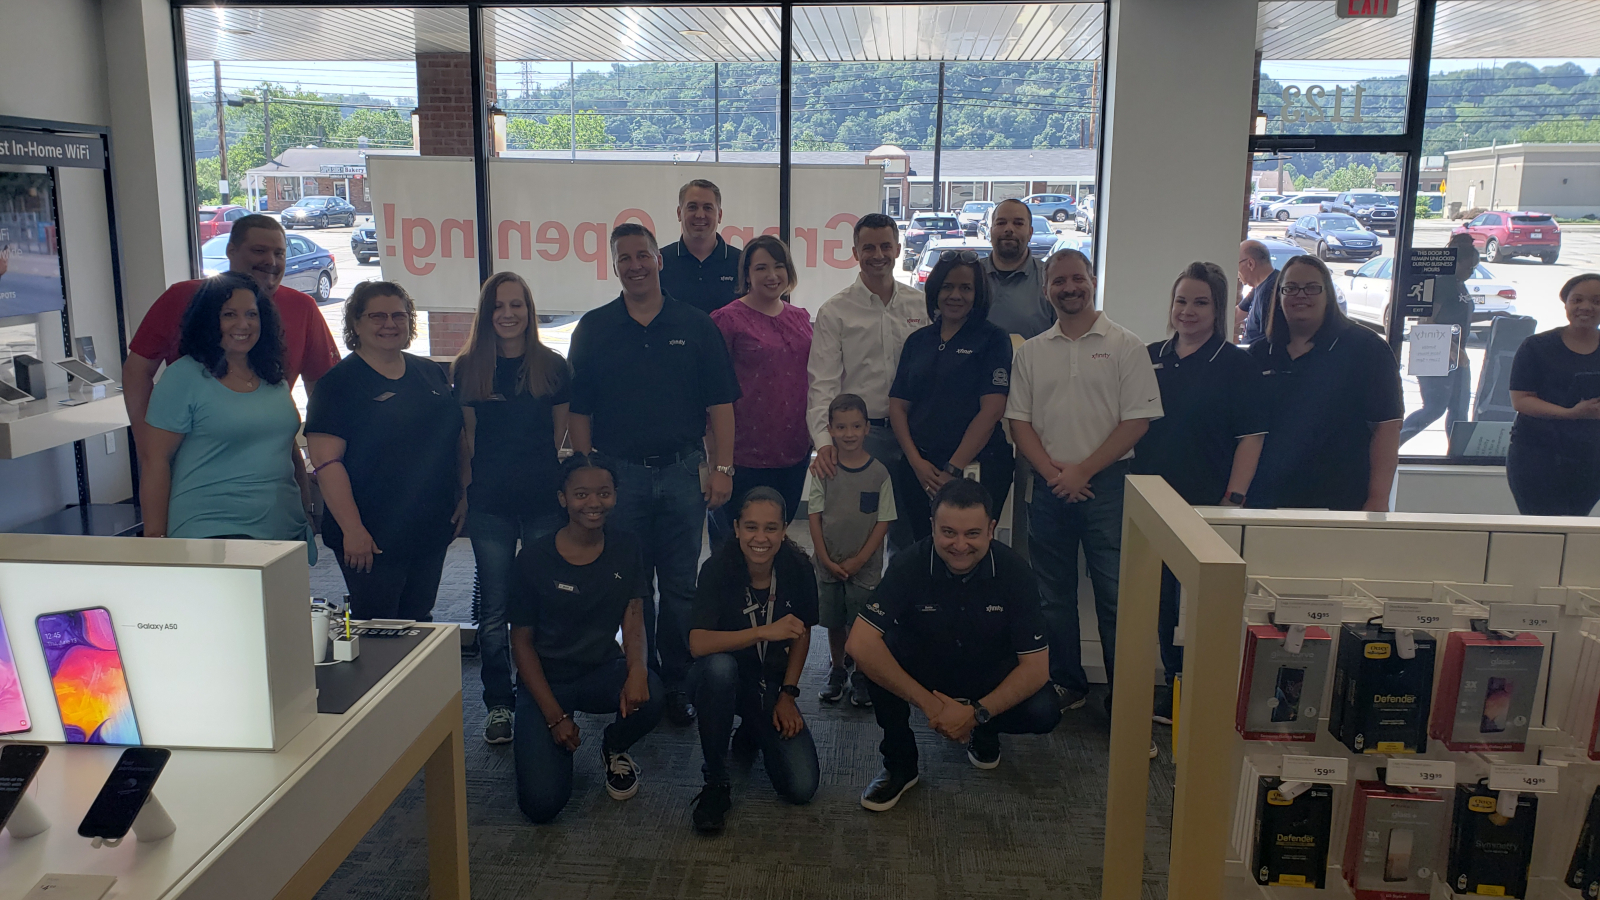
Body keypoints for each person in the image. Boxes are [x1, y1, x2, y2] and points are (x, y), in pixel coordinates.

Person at [567, 223, 742, 727]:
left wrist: (722, 468)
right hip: (619, 479)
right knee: (627, 583)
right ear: (615, 265)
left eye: (643, 255)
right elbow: (580, 411)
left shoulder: (696, 324)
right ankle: (633, 672)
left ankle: (679, 680)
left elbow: (720, 404)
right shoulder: (595, 328)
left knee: (682, 585)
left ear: (659, 260)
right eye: (625, 258)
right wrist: (588, 475)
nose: (636, 265)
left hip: (685, 472)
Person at [1005, 248, 1162, 714]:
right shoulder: (1032, 352)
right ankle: (1066, 683)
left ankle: (1124, 701)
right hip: (1049, 487)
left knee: (1116, 595)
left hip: (1107, 487)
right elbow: (1020, 424)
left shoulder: (1125, 345)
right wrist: (1056, 474)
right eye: (1059, 281)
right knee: (1051, 595)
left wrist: (1082, 471)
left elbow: (1137, 422)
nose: (1069, 289)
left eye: (1078, 279)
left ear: (1093, 281)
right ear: (1046, 288)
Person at [846, 478, 1060, 812]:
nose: (960, 545)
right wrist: (933, 708)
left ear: (990, 529)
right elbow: (859, 642)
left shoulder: (1016, 573)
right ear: (932, 527)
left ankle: (984, 730)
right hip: (928, 673)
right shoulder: (908, 564)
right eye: (948, 532)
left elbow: (1036, 669)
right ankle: (900, 764)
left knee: (1044, 711)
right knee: (877, 652)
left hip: (988, 674)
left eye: (972, 534)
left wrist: (977, 714)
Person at [1131, 262, 1266, 723]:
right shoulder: (1147, 355)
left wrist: (1233, 500)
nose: (1187, 311)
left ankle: (1189, 689)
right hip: (1148, 499)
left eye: (1200, 302)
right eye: (1181, 301)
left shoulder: (1236, 364)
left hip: (1207, 502)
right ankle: (1169, 684)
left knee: (1196, 603)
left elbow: (1251, 437)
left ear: (1219, 308)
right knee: (1158, 600)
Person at [508, 453, 664, 823]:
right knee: (542, 805)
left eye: (603, 493)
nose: (593, 503)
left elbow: (634, 612)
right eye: (581, 494)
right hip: (545, 681)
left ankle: (614, 747)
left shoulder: (626, 547)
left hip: (599, 670)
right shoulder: (532, 558)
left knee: (653, 693)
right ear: (562, 498)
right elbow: (521, 644)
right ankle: (547, 740)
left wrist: (637, 668)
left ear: (615, 496)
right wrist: (554, 717)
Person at [453, 271, 572, 745]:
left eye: (517, 304)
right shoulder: (467, 368)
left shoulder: (553, 366)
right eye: (499, 306)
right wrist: (465, 495)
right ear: (487, 313)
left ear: (530, 310)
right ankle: (499, 703)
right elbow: (467, 443)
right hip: (491, 506)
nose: (508, 314)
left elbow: (561, 439)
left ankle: (542, 693)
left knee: (543, 601)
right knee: (496, 609)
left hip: (545, 501)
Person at [305, 282, 466, 621]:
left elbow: (456, 439)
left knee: (419, 619)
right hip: (370, 531)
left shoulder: (429, 372)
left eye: (399, 315)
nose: (390, 324)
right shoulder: (338, 384)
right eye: (377, 316)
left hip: (427, 525)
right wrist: (353, 529)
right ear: (356, 323)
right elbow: (326, 461)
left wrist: (464, 493)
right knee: (379, 625)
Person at [124, 215, 338, 453]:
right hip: (193, 458)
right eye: (259, 251)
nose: (271, 261)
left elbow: (322, 388)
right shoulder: (182, 297)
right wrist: (146, 443)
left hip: (274, 456)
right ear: (231, 251)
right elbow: (137, 371)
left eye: (279, 253)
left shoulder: (302, 307)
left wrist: (326, 458)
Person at [140, 272, 310, 549]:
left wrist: (307, 506)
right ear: (209, 320)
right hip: (213, 532)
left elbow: (286, 445)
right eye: (229, 314)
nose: (243, 324)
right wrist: (156, 539)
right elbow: (155, 461)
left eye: (251, 315)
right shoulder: (183, 377)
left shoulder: (271, 374)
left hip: (283, 529)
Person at [687, 487, 820, 833]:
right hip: (721, 678)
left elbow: (802, 634)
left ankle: (752, 729)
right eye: (751, 527)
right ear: (735, 528)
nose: (760, 538)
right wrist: (763, 632)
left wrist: (788, 694)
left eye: (771, 528)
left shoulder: (798, 567)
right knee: (719, 668)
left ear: (784, 529)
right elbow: (697, 644)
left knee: (801, 788)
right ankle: (716, 781)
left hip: (770, 685)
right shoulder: (716, 569)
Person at [806, 213, 928, 553]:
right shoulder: (836, 311)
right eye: (868, 247)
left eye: (886, 246)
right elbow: (822, 384)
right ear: (855, 252)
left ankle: (902, 605)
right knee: (855, 534)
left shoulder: (921, 305)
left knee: (911, 534)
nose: (878, 255)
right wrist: (822, 441)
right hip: (861, 439)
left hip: (914, 435)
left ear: (898, 249)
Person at [1247, 255, 1403, 512]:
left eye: (1312, 288)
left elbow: (1387, 427)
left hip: (1341, 501)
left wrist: (1378, 499)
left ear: (1328, 294)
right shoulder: (1260, 354)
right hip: (1266, 500)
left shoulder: (1366, 349)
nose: (1301, 295)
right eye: (1291, 288)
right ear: (1279, 295)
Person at [890, 251, 1014, 540]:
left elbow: (992, 410)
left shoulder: (993, 339)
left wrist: (953, 469)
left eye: (965, 288)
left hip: (976, 466)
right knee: (924, 547)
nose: (955, 295)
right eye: (947, 286)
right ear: (935, 290)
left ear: (978, 293)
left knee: (971, 547)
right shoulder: (918, 341)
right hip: (921, 470)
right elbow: (897, 406)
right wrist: (916, 462)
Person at [707, 235, 812, 543]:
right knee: (735, 542)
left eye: (779, 266)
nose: (772, 275)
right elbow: (712, 392)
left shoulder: (801, 318)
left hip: (794, 451)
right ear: (747, 275)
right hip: (742, 455)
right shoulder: (726, 320)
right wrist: (716, 459)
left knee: (774, 539)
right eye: (762, 267)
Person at [808, 393, 896, 708]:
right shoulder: (823, 471)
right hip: (828, 563)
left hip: (865, 568)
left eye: (856, 426)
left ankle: (862, 672)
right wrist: (825, 559)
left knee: (862, 620)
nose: (849, 433)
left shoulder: (880, 474)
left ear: (867, 428)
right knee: (833, 619)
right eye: (841, 427)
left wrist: (860, 559)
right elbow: (814, 517)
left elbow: (884, 521)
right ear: (830, 429)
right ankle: (837, 667)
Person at [1506, 273, 1600, 516]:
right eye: (1577, 300)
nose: (1586, 307)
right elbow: (1521, 400)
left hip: (1591, 459)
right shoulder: (1536, 346)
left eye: (1597, 302)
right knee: (1544, 532)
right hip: (1537, 455)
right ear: (1566, 304)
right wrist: (1571, 414)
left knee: (1575, 525)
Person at [1399, 233, 1478, 447]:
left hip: (1457, 356)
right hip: (1436, 352)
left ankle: (1457, 453)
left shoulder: (1460, 284)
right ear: (1456, 263)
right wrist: (1453, 349)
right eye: (1469, 268)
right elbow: (1427, 322)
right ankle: (1392, 445)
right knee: (1434, 407)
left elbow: (1460, 314)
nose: (1471, 273)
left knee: (1459, 409)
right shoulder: (1442, 284)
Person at [659, 179, 740, 316]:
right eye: (692, 207)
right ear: (679, 213)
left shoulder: (742, 262)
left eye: (708, 208)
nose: (700, 215)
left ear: (719, 215)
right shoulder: (659, 261)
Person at [980, 198, 1055, 339]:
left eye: (1018, 223)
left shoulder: (1050, 278)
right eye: (1001, 223)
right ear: (991, 231)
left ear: (1030, 232)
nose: (1009, 229)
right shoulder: (971, 276)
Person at [1237, 239, 1280, 346]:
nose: (1236, 272)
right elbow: (1237, 313)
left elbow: (1269, 340)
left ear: (1250, 264)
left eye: (1237, 264)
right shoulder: (1258, 286)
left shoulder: (1271, 290)